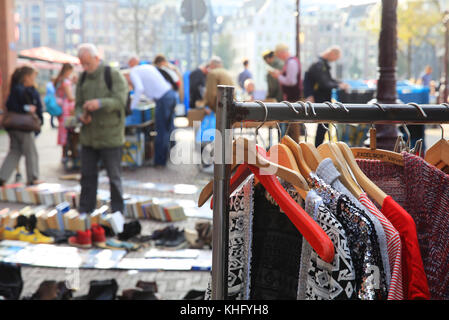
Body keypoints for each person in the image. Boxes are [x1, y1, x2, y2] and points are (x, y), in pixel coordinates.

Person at [75, 43, 128, 214]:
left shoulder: (112, 74)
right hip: (89, 137)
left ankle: (118, 214)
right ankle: (85, 212)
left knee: (114, 178)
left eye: (87, 63)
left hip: (110, 136)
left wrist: (99, 103)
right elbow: (77, 105)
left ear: (97, 58)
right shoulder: (82, 78)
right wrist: (81, 115)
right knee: (87, 178)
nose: (85, 67)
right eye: (82, 64)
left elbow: (120, 102)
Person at [127, 55, 177, 167]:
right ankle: (171, 155)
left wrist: (131, 108)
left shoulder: (133, 72)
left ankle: (160, 162)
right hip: (170, 95)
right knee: (169, 128)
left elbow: (139, 89)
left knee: (161, 130)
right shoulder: (146, 67)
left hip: (163, 99)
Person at [0, 65, 44, 186]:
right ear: (26, 77)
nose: (34, 80)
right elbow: (30, 107)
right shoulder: (25, 90)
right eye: (33, 77)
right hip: (24, 126)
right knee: (31, 152)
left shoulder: (14, 89)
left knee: (14, 151)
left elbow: (9, 105)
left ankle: (2, 176)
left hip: (12, 125)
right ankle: (33, 177)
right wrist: (28, 108)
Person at [305, 46, 349, 146]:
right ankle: (318, 147)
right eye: (335, 58)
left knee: (324, 124)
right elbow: (324, 83)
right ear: (332, 54)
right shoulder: (319, 64)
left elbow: (327, 80)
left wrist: (339, 83)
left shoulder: (321, 63)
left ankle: (318, 147)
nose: (334, 61)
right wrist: (339, 85)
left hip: (321, 98)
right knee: (323, 124)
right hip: (320, 98)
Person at [54, 63, 75, 162]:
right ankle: (66, 155)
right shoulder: (65, 81)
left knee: (63, 132)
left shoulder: (59, 80)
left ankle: (64, 155)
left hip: (61, 108)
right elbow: (70, 97)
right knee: (67, 132)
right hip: (67, 109)